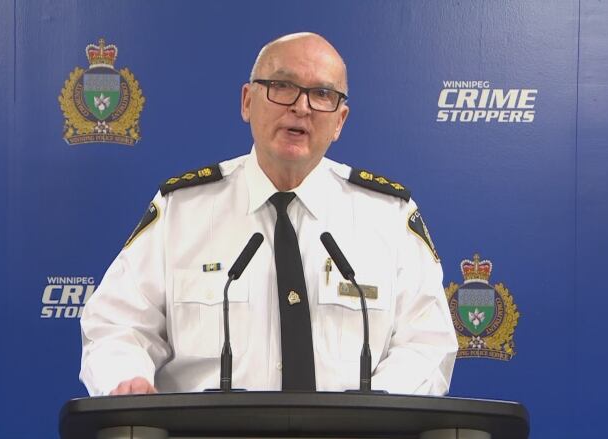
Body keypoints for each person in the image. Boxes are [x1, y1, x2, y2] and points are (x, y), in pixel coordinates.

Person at [80, 32, 458, 396]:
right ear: (247, 101)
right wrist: (127, 380)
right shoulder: (182, 210)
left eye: (322, 94)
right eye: (282, 87)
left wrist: (376, 413)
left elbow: (426, 341)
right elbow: (118, 324)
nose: (301, 106)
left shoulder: (388, 215)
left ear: (340, 120)